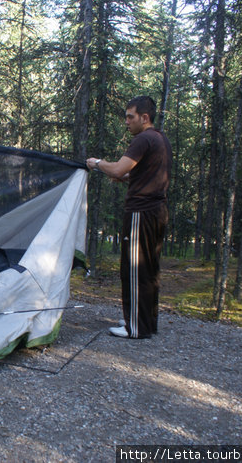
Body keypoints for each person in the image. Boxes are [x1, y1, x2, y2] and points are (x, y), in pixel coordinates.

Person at [85, 96, 172, 339]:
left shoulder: (143, 139)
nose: (127, 122)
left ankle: (135, 328)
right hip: (156, 212)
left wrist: (96, 163)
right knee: (149, 269)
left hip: (140, 214)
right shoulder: (160, 139)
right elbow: (144, 176)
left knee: (134, 269)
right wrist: (126, 179)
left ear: (145, 118)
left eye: (130, 117)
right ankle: (145, 321)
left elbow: (117, 168)